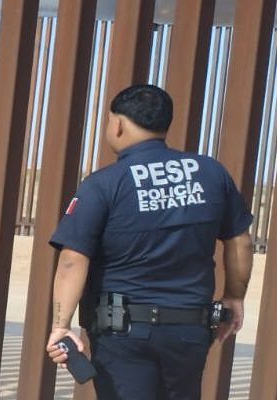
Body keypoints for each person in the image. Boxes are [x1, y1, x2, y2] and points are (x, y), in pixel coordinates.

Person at [45, 85, 252, 399]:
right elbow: (240, 240)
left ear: (118, 124)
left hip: (123, 334)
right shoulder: (211, 173)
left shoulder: (104, 184)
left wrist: (61, 326)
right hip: (189, 330)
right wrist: (235, 297)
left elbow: (73, 260)